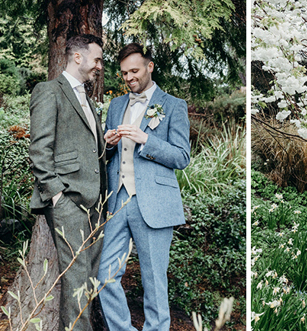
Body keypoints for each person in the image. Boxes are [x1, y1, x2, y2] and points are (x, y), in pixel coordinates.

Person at [97, 43, 191, 331]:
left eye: (134, 71)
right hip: (117, 200)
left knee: (154, 280)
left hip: (153, 202)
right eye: (124, 73)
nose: (129, 78)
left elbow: (181, 157)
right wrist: (108, 144)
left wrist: (146, 140)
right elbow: (105, 154)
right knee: (105, 275)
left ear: (150, 67)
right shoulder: (116, 105)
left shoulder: (173, 105)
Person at [29, 34, 107, 331]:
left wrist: (105, 143)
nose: (99, 66)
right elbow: (39, 149)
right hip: (69, 202)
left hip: (96, 202)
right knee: (76, 278)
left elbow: (87, 149)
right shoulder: (49, 91)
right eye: (97, 59)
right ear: (78, 57)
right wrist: (57, 196)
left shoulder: (86, 97)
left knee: (88, 277)